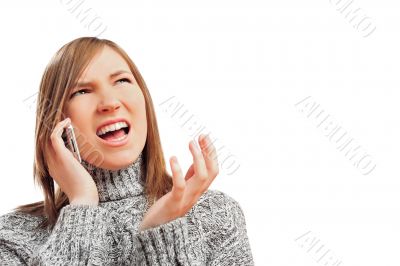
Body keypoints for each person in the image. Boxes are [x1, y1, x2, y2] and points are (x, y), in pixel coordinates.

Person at [0, 37, 254, 265]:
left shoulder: (215, 215)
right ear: (56, 121)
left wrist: (159, 232)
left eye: (121, 80)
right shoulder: (13, 237)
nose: (110, 103)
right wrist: (82, 203)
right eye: (82, 91)